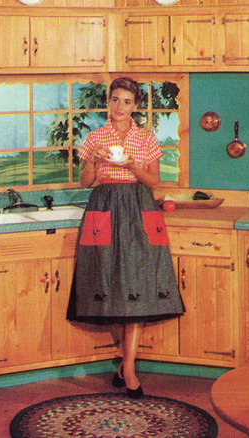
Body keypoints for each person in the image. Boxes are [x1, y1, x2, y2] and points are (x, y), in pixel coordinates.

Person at [67, 77, 184, 399]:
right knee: (107, 284)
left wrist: (132, 165)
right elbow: (86, 182)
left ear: (135, 106)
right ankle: (124, 360)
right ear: (109, 102)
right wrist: (93, 161)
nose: (120, 107)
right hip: (102, 208)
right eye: (115, 100)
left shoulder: (146, 138)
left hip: (138, 209)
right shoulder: (95, 137)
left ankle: (129, 367)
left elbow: (154, 182)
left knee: (138, 285)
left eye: (127, 102)